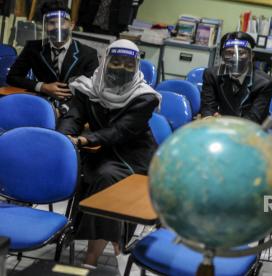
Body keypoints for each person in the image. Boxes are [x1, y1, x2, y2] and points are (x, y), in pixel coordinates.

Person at [58, 39, 161, 270]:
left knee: (106, 179)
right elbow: (73, 117)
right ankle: (115, 244)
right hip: (99, 153)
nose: (122, 69)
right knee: (83, 172)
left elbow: (120, 131)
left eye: (128, 64)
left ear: (137, 67)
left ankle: (92, 258)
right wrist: (63, 138)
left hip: (134, 158)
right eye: (116, 62)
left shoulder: (145, 96)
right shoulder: (88, 87)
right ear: (105, 61)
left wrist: (85, 139)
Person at [7, 0, 98, 116]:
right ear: (45, 26)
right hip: (40, 105)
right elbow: (12, 77)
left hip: (73, 110)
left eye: (62, 22)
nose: (57, 27)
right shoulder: (33, 48)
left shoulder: (88, 54)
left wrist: (62, 110)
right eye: (51, 23)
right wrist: (42, 87)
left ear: (72, 25)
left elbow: (90, 91)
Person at [200, 31, 272, 124]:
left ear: (251, 56)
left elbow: (255, 117)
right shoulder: (211, 74)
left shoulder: (264, 83)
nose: (235, 58)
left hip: (249, 131)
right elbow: (208, 107)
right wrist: (209, 119)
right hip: (218, 127)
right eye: (229, 53)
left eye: (241, 53)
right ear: (222, 56)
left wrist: (226, 124)